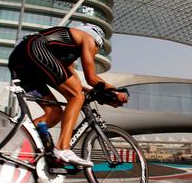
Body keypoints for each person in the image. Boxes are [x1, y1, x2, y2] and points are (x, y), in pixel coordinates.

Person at [8, 24, 128, 167]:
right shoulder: (88, 38)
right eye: (98, 49)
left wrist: (94, 93)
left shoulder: (65, 53)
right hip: (35, 48)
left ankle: (12, 144)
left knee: (55, 113)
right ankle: (63, 148)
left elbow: (76, 83)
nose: (94, 53)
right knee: (76, 97)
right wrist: (115, 90)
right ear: (98, 41)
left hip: (20, 60)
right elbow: (92, 78)